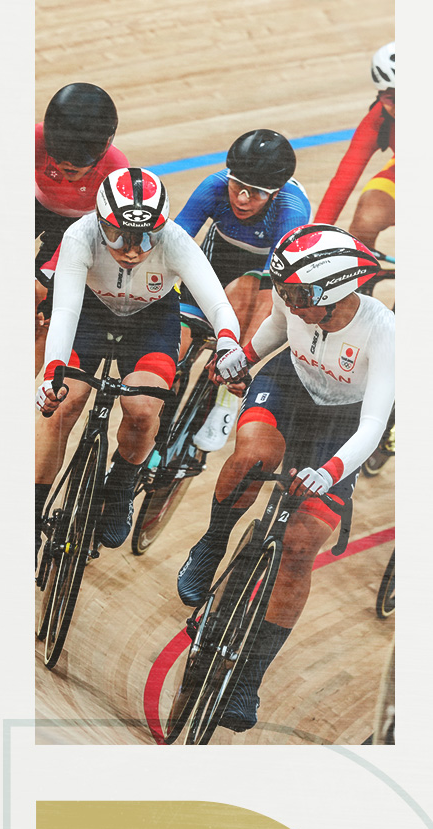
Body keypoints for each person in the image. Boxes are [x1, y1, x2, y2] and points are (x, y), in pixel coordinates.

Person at [173, 223, 391, 731]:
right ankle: (212, 542)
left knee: (301, 545)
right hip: (288, 387)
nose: (286, 299)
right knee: (253, 457)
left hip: (344, 427)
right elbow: (274, 329)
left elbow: (374, 425)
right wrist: (241, 358)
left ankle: (249, 678)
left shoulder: (384, 333)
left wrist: (330, 472)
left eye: (295, 293)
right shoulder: (295, 301)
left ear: (333, 293)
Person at [35, 167, 247, 545]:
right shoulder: (79, 236)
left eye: (145, 237)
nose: (132, 249)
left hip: (151, 321)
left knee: (144, 410)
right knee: (64, 407)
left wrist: (229, 340)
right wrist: (53, 371)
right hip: (90, 315)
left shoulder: (177, 241)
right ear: (100, 222)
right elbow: (66, 312)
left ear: (162, 228)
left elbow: (216, 302)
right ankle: (32, 512)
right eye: (117, 235)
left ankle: (120, 483)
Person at [170, 129, 311, 450]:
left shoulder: (292, 211)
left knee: (250, 288)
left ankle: (225, 400)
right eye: (238, 185)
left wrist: (239, 359)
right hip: (214, 267)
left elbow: (272, 297)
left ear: (275, 193)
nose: (242, 198)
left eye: (256, 192)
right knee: (173, 351)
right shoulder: (214, 186)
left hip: (262, 276)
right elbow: (170, 248)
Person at [34, 83, 127, 373]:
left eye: (76, 166)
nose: (66, 167)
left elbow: (78, 241)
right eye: (60, 160)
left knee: (43, 307)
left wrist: (44, 278)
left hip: (78, 226)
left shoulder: (116, 169)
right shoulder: (33, 139)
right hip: (33, 204)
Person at [314, 42, 395, 252]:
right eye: (392, 98)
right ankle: (361, 281)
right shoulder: (379, 119)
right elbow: (341, 183)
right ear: (379, 94)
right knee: (365, 220)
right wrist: (313, 240)